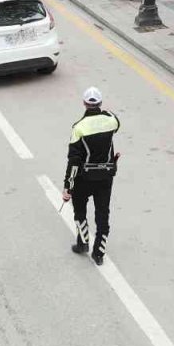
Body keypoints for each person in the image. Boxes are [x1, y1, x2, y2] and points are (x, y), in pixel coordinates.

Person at [61, 86, 121, 266]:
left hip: (84, 179)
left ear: (84, 103)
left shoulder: (78, 128)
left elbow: (74, 161)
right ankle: (99, 253)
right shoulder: (111, 121)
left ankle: (83, 243)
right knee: (103, 215)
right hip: (105, 177)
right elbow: (115, 122)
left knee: (80, 211)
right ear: (100, 103)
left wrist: (68, 187)